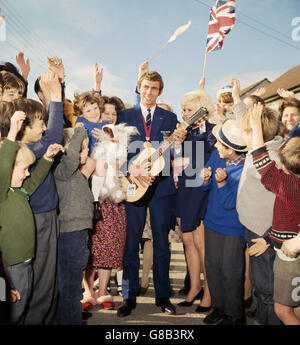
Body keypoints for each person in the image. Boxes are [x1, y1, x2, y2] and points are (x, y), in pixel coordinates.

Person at [116, 70, 187, 317]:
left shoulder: (170, 117)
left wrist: (177, 142)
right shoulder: (125, 115)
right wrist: (131, 170)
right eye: (145, 87)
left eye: (154, 88)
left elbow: (171, 155)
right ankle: (128, 296)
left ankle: (163, 296)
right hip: (134, 184)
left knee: (161, 244)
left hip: (162, 187)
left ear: (160, 91)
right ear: (139, 87)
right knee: (130, 244)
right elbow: (117, 152)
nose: (149, 92)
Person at [0, 110, 63, 324]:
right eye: (23, 169)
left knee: (22, 308)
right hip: (10, 269)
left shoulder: (18, 192)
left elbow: (34, 181)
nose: (27, 173)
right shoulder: (1, 196)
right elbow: (3, 165)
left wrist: (46, 159)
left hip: (25, 265)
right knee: (11, 313)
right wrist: (11, 135)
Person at [16, 70, 64, 325]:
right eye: (41, 123)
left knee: (48, 282)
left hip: (45, 217)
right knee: (42, 283)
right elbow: (54, 138)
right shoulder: (23, 150)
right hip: (38, 219)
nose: (45, 127)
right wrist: (55, 97)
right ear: (23, 127)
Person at [248, 103, 300, 325]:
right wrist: (269, 238)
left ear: (286, 168)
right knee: (296, 309)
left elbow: (261, 161)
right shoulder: (292, 181)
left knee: (283, 310)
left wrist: (255, 126)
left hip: (289, 257)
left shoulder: (287, 185)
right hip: (289, 246)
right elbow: (287, 221)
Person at [237, 103, 285, 325]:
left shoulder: (271, 157)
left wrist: (255, 127)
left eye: (248, 131)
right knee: (259, 284)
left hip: (266, 233)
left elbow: (262, 171)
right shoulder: (259, 149)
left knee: (268, 289)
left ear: (257, 133)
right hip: (255, 228)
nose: (244, 135)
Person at [82, 96, 128, 310]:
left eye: (114, 113)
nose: (110, 117)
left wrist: (111, 141)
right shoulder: (89, 130)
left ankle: (103, 291)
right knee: (89, 244)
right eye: (106, 113)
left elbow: (122, 162)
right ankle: (87, 291)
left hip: (112, 198)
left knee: (109, 244)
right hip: (89, 195)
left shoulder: (122, 136)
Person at [200, 119, 248, 325]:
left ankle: (235, 315)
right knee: (212, 267)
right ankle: (219, 308)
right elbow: (204, 188)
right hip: (212, 222)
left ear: (232, 149)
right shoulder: (216, 157)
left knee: (231, 271)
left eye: (220, 144)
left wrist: (221, 183)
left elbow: (232, 203)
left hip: (233, 228)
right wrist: (205, 180)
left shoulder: (246, 169)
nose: (215, 145)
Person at [175, 84, 215, 312]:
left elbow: (211, 153)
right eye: (183, 109)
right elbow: (172, 157)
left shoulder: (211, 129)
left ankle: (209, 292)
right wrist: (176, 142)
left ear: (202, 109)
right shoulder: (182, 131)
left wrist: (198, 133)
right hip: (182, 189)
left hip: (200, 189)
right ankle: (194, 287)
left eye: (189, 109)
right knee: (188, 241)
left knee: (201, 243)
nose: (184, 113)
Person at [54, 124, 94, 325]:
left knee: (72, 286)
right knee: (69, 288)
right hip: (70, 235)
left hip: (78, 235)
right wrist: (79, 131)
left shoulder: (77, 174)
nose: (88, 151)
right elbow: (71, 156)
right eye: (83, 148)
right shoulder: (63, 170)